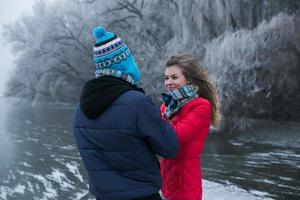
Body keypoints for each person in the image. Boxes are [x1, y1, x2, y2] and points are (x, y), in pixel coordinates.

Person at [72, 26, 179, 200]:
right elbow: (170, 147)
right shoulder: (137, 103)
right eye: (131, 59)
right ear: (124, 63)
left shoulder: (79, 110)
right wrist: (167, 118)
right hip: (142, 195)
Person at [159, 54, 221, 200]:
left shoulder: (201, 105)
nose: (168, 82)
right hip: (164, 178)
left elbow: (176, 136)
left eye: (174, 77)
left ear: (188, 79)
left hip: (185, 181)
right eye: (166, 78)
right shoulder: (166, 105)